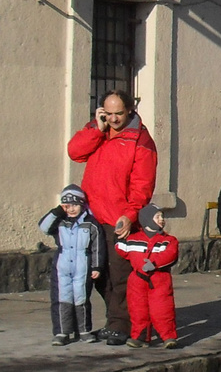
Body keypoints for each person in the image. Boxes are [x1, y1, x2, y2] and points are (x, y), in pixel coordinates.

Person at [67, 90, 157, 345]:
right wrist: (97, 127)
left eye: (119, 113)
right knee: (98, 274)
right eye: (109, 113)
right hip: (91, 217)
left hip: (117, 218)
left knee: (120, 275)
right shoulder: (98, 130)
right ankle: (114, 320)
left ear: (129, 110)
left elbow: (143, 185)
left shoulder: (141, 140)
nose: (114, 119)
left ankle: (123, 324)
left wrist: (129, 215)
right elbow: (75, 152)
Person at [38, 184, 103, 345]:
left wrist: (97, 267)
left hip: (83, 266)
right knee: (62, 298)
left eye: (75, 205)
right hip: (62, 266)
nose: (71, 209)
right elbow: (43, 227)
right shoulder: (59, 222)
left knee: (81, 298)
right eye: (67, 206)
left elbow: (97, 247)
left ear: (82, 204)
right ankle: (62, 332)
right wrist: (57, 212)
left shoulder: (91, 224)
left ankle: (84, 330)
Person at [118, 205, 179, 348]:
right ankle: (140, 337)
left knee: (162, 309)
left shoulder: (168, 240)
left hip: (159, 279)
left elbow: (170, 254)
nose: (162, 220)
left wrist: (155, 263)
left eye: (162, 217)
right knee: (138, 310)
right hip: (137, 280)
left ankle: (168, 336)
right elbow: (122, 250)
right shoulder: (133, 239)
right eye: (157, 217)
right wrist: (118, 234)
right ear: (146, 220)